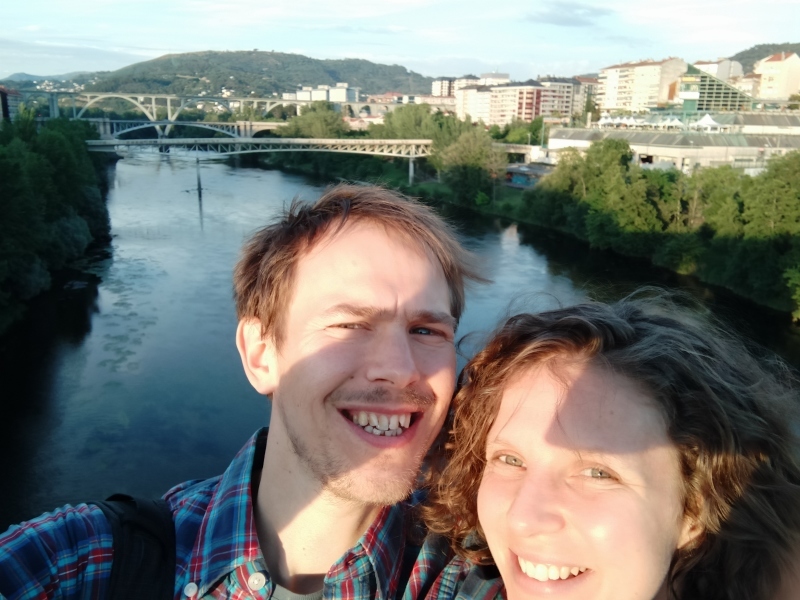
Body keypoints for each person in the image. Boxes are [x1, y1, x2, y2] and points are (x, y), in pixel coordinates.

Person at [0, 184, 483, 600]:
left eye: (426, 331)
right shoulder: (86, 563)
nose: (400, 370)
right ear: (260, 355)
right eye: (351, 324)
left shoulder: (477, 570)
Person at [423, 292, 800, 600]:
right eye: (509, 459)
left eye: (597, 472)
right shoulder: (458, 582)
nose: (523, 517)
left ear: (696, 510)